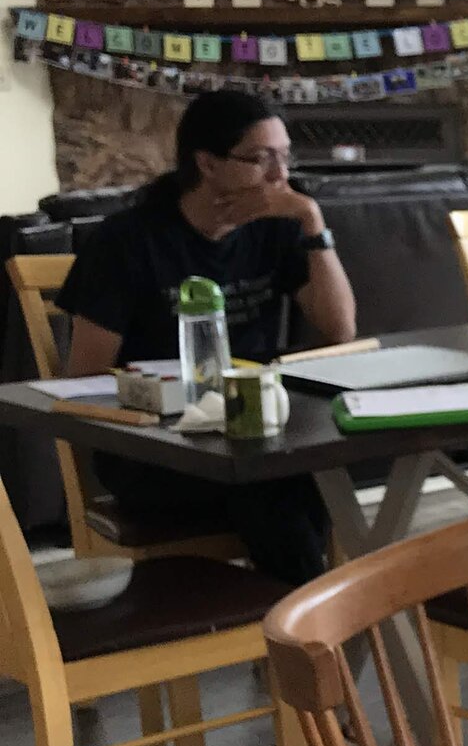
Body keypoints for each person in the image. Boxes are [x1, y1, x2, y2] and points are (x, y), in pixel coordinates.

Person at [59, 89, 356, 583]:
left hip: (257, 430)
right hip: (155, 446)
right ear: (207, 163)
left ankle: (300, 616)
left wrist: (312, 221)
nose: (280, 176)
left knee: (300, 475)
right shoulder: (127, 241)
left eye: (286, 157)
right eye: (260, 159)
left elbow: (340, 329)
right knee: (278, 484)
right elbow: (84, 376)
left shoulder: (278, 226)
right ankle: (313, 616)